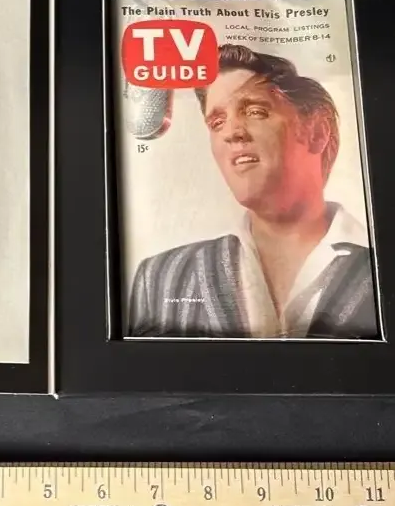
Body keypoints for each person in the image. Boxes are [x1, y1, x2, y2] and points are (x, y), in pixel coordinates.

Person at [125, 44, 378, 339]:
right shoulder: (160, 278)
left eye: (256, 112)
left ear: (317, 132)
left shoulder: (387, 268)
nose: (232, 132)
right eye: (217, 122)